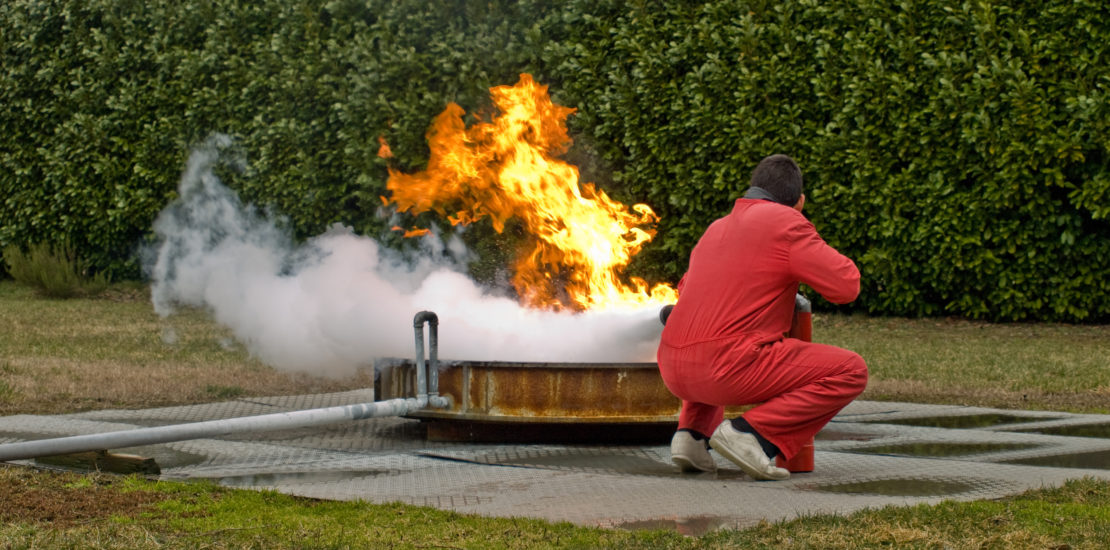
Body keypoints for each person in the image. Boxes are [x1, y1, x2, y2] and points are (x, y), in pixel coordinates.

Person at [657, 154, 866, 480]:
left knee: (715, 329)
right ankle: (752, 434)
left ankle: (692, 438)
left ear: (753, 189)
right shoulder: (788, 223)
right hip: (726, 369)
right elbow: (846, 285)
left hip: (673, 368)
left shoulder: (717, 227)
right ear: (799, 201)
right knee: (851, 370)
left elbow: (685, 294)